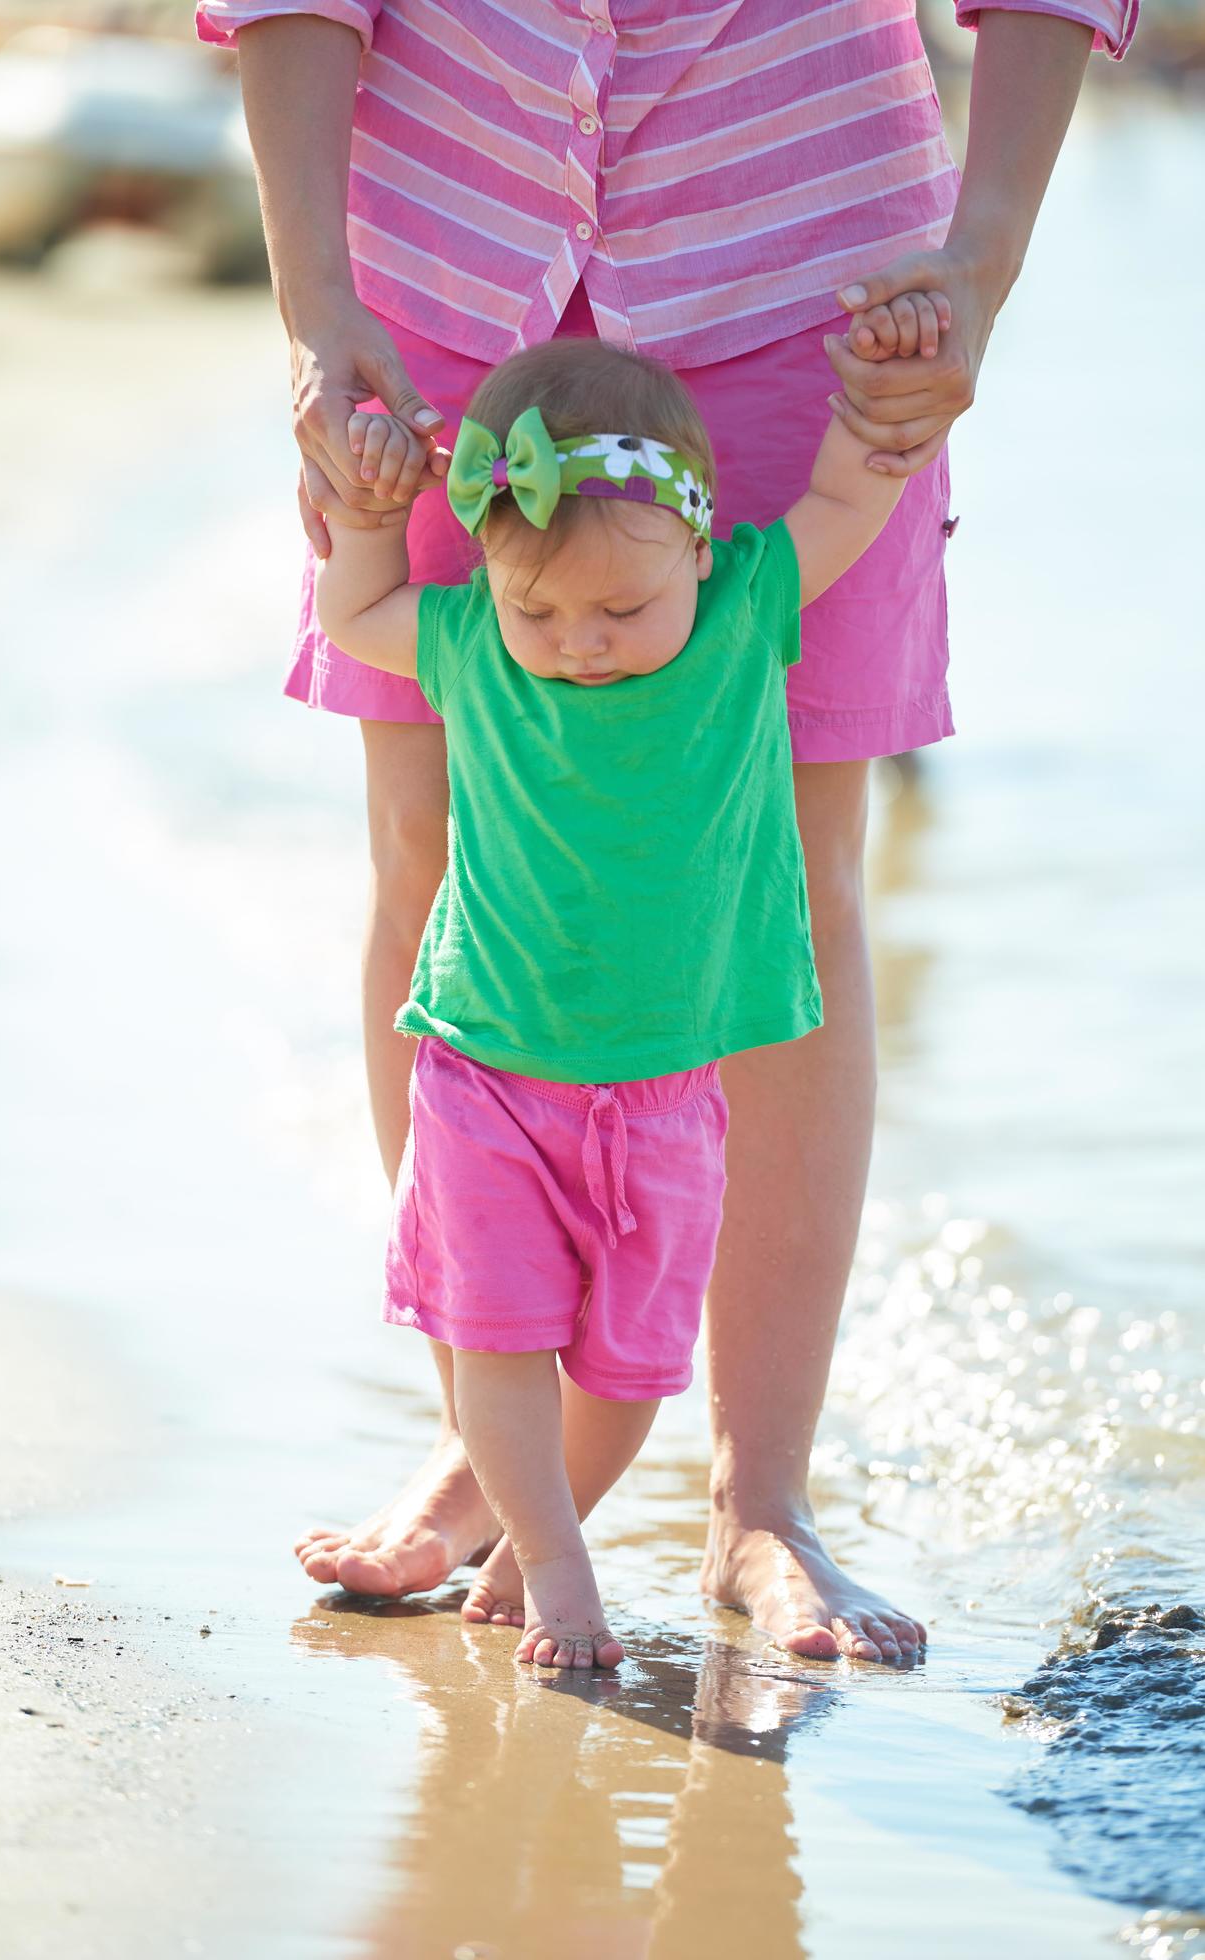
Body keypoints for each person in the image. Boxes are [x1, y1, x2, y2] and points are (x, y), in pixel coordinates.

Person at [202, 0, 1134, 1664]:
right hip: (435, 242)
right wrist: (314, 296)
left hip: (811, 273)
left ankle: (760, 1500)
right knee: (426, 859)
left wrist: (980, 259)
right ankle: (499, 1459)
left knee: (785, 886)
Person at [316, 332, 916, 1666]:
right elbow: (361, 618)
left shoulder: (751, 606)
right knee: (498, 1328)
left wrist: (884, 392)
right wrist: (365, 519)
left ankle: (561, 1534)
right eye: (542, 614)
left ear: (702, 548)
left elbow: (848, 500)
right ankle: (552, 1564)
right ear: (492, 581)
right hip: (484, 1072)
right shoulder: (473, 640)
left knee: (631, 1364)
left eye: (620, 614)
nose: (580, 646)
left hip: (667, 1089)